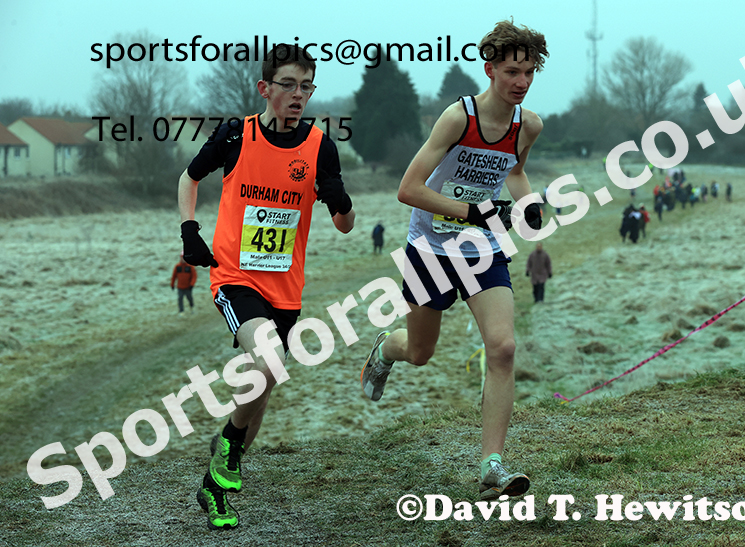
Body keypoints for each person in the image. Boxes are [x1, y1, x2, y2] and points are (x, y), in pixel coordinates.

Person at [359, 20, 548, 502]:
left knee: (503, 348)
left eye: (529, 71)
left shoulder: (528, 125)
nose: (521, 82)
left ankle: (492, 465)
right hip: (431, 250)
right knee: (421, 353)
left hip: (483, 251)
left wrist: (526, 204)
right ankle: (385, 350)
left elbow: (516, 171)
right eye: (511, 71)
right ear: (489, 70)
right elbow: (409, 190)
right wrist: (475, 211)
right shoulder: (457, 119)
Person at [178, 44, 355, 530]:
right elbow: (188, 178)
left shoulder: (321, 146)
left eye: (306, 86)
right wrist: (189, 230)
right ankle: (228, 453)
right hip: (235, 277)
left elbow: (345, 225)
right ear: (265, 88)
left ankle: (217, 483)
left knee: (263, 383)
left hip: (286, 290)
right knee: (268, 360)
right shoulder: (236, 135)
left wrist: (340, 201)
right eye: (289, 85)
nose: (299, 95)